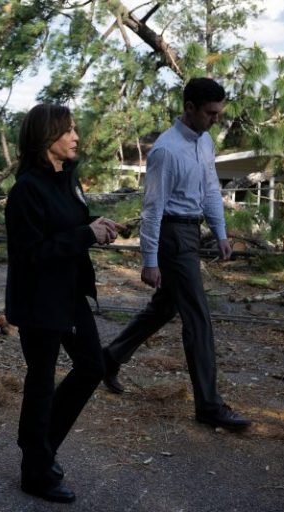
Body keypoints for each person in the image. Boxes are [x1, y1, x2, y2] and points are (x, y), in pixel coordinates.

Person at [101, 78, 251, 431]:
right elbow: (151, 208)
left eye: (219, 113)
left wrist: (220, 232)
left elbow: (211, 188)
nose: (216, 119)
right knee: (198, 318)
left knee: (165, 306)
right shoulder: (166, 150)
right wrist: (149, 260)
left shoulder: (206, 141)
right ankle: (210, 406)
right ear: (190, 108)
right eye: (211, 113)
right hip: (171, 234)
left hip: (191, 231)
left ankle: (108, 358)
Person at [4, 103, 123, 504]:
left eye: (75, 130)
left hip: (70, 293)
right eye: (68, 131)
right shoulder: (25, 191)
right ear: (45, 138)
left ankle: (37, 447)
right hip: (38, 299)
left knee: (92, 366)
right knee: (41, 381)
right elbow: (31, 254)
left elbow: (72, 227)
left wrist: (96, 226)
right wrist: (84, 234)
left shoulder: (67, 178)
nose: (76, 137)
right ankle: (35, 470)